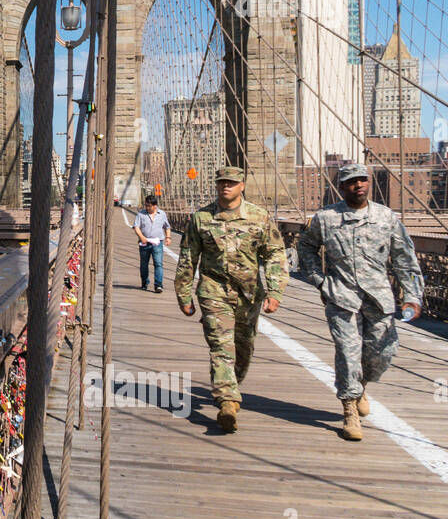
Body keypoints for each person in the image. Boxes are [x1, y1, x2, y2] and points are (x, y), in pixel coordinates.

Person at [296, 163, 423, 442]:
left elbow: (404, 259)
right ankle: (350, 410)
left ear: (369, 183)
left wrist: (412, 296)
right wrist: (319, 280)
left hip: (379, 297)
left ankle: (362, 385)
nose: (358, 185)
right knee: (347, 351)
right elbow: (305, 246)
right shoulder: (326, 218)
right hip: (341, 296)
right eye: (352, 181)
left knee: (381, 354)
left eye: (363, 180)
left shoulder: (386, 217)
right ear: (342, 187)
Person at [174, 166, 288, 432]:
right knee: (220, 345)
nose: (226, 186)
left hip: (249, 295)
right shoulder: (201, 218)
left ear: (242, 186)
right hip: (214, 292)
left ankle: (232, 385)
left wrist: (275, 291)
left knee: (244, 348)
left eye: (232, 183)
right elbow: (188, 258)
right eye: (222, 182)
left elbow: (274, 254)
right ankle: (226, 400)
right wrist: (184, 294)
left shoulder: (259, 217)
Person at [133, 194, 172, 292]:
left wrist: (168, 237)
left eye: (149, 205)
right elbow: (136, 227)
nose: (147, 207)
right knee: (144, 264)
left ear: (155, 206)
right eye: (146, 205)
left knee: (158, 264)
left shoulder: (162, 214)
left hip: (157, 243)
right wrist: (141, 237)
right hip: (144, 243)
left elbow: (167, 226)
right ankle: (144, 282)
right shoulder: (141, 214)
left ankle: (158, 285)